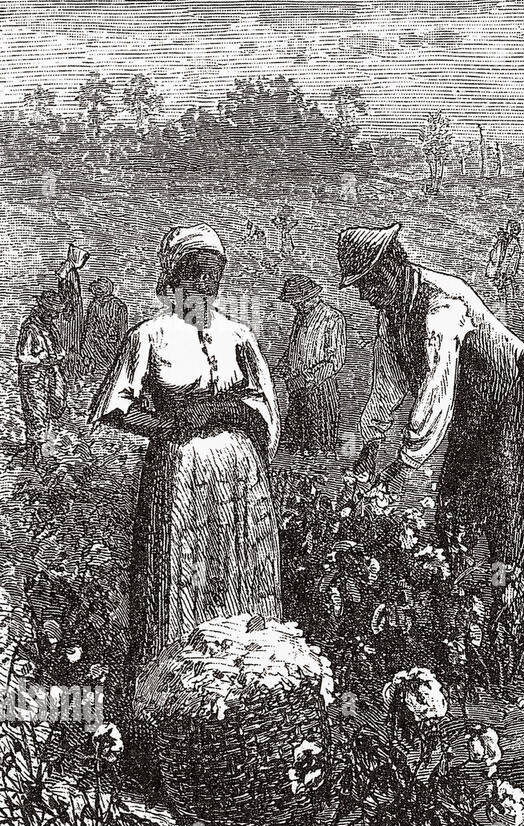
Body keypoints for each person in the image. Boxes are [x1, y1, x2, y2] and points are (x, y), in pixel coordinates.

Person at [89, 224, 282, 728]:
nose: (205, 282)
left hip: (240, 478)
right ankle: (171, 716)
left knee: (241, 577)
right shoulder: (149, 336)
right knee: (181, 581)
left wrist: (236, 417)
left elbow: (264, 405)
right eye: (195, 271)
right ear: (174, 277)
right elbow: (113, 407)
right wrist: (167, 425)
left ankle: (246, 708)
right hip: (179, 473)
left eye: (213, 272)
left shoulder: (239, 336)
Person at [340, 223, 524, 567]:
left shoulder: (441, 306)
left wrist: (404, 465)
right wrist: (372, 443)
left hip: (511, 396)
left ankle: (508, 591)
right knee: (454, 506)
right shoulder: (391, 316)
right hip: (468, 407)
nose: (363, 296)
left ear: (391, 267)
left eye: (366, 284)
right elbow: (388, 381)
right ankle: (461, 591)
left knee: (505, 506)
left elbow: (437, 387)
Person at [276, 274, 348, 457]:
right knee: (294, 442)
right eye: (294, 303)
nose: (296, 307)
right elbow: (295, 347)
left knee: (317, 443)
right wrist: (285, 365)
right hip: (297, 388)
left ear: (312, 296)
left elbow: (335, 361)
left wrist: (308, 378)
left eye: (299, 302)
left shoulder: (333, 318)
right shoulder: (300, 317)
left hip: (320, 389)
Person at [16, 289, 68, 465]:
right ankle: (37, 456)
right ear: (43, 309)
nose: (54, 316)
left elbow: (59, 350)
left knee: (54, 407)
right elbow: (23, 357)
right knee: (36, 412)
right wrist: (41, 360)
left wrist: (57, 358)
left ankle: (44, 449)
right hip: (34, 375)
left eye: (56, 313)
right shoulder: (30, 327)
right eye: (52, 312)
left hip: (52, 372)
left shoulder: (50, 327)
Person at [80, 278, 130, 380]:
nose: (96, 292)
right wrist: (85, 348)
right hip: (95, 344)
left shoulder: (119, 306)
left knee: (109, 372)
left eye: (99, 289)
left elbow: (122, 330)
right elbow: (89, 326)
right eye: (96, 290)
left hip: (111, 345)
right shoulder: (94, 305)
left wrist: (120, 348)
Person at [56, 243, 89, 377]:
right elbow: (67, 293)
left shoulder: (70, 271)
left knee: (74, 337)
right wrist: (71, 306)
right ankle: (69, 367)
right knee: (70, 338)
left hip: (73, 310)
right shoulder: (69, 272)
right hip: (70, 312)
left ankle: (72, 366)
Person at [486, 219, 522, 316]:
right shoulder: (501, 242)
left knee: (507, 298)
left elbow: (512, 263)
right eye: (510, 228)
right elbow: (494, 257)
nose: (510, 231)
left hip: (505, 276)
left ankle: (506, 315)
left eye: (513, 229)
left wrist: (505, 274)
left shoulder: (515, 246)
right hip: (496, 274)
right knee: (497, 296)